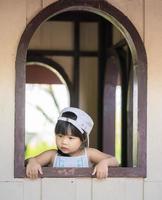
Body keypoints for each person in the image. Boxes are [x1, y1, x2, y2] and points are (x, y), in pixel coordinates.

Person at [26, 107, 119, 179]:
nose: (64, 142)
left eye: (71, 138)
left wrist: (104, 163)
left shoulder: (89, 154)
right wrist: (32, 162)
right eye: (60, 136)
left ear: (83, 139)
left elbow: (114, 161)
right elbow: (30, 160)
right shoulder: (52, 155)